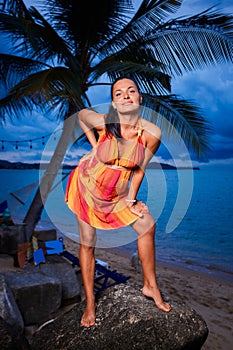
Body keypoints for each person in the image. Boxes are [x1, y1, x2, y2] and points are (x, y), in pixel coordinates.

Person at [65, 76, 171, 328]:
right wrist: (94, 148)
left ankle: (150, 286)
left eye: (131, 91)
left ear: (139, 98)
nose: (125, 96)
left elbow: (139, 169)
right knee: (88, 243)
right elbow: (81, 116)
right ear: (113, 101)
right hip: (86, 185)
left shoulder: (151, 134)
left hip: (115, 195)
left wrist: (131, 199)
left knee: (147, 225)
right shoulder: (104, 124)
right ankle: (90, 302)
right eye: (119, 93)